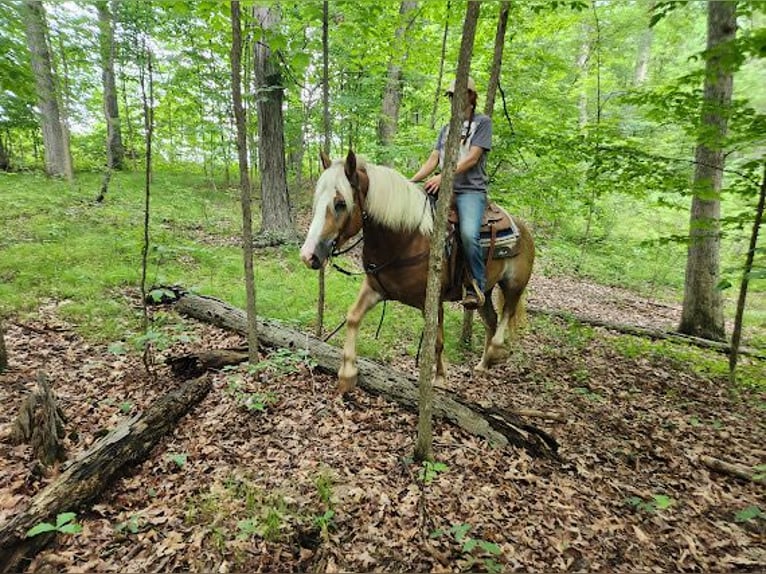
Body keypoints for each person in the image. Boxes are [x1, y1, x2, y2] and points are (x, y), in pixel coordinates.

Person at [410, 76, 492, 309]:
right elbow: (433, 159)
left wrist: (444, 176)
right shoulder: (447, 129)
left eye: (459, 95)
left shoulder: (483, 123)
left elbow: (473, 158)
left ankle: (476, 283)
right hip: (441, 186)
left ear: (471, 96)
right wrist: (411, 181)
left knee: (467, 234)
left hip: (470, 191)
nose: (454, 100)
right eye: (451, 96)